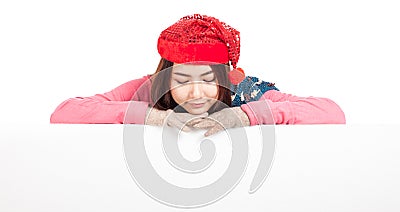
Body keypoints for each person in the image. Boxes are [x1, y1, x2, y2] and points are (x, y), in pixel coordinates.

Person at [50, 14, 346, 136]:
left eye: (207, 80)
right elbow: (64, 112)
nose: (196, 93)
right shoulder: (148, 88)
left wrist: (246, 116)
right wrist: (154, 117)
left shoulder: (244, 88)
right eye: (181, 82)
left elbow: (331, 111)